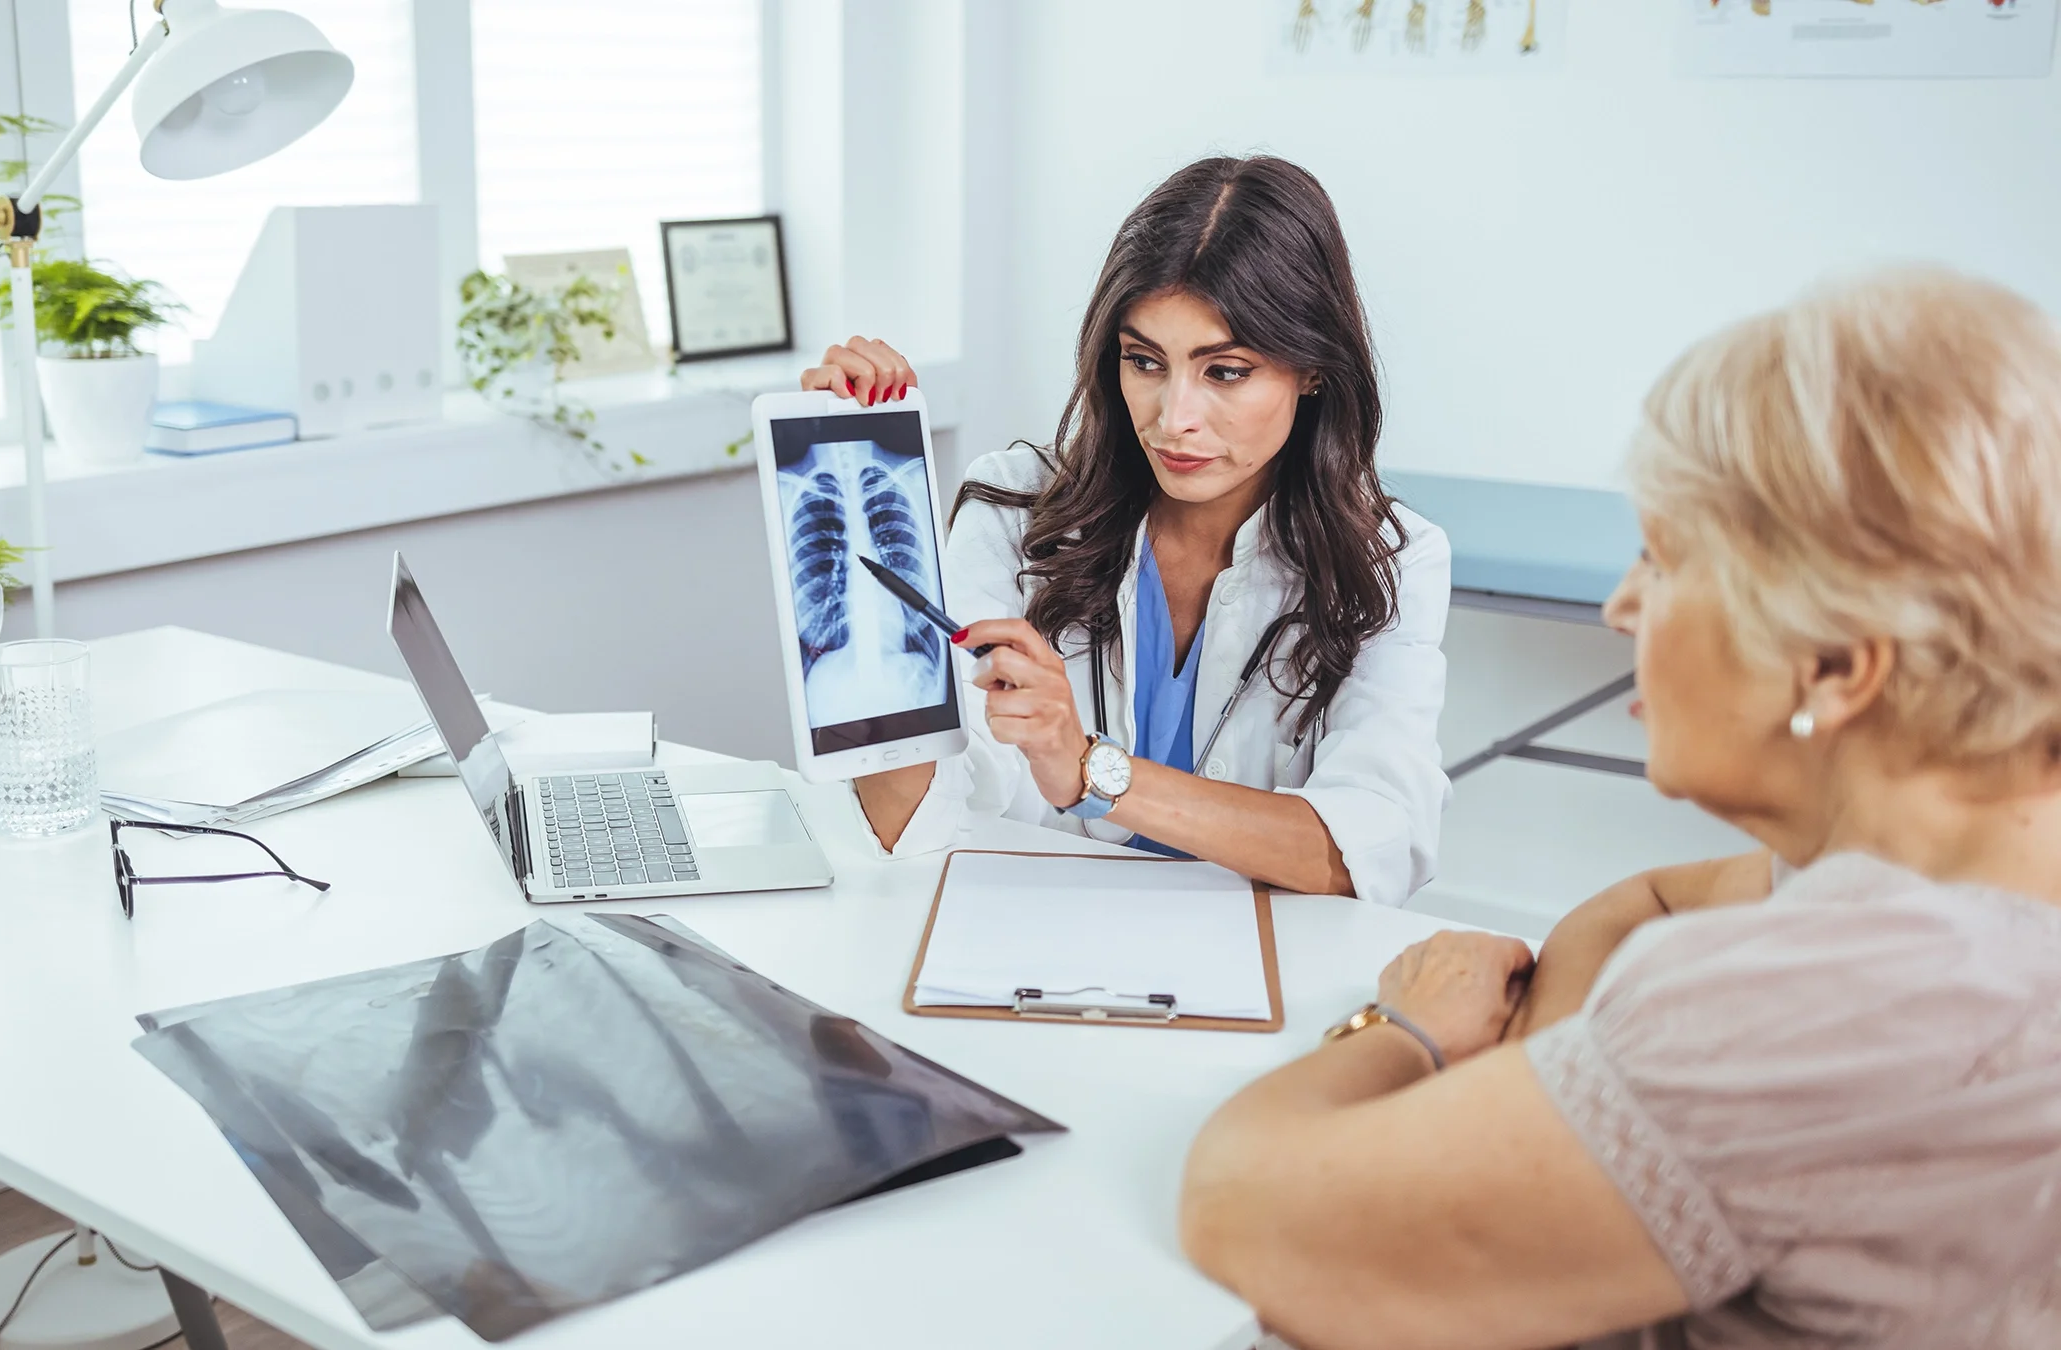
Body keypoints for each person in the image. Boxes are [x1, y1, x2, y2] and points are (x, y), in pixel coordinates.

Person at [1175, 266, 2061, 1349]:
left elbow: (1241, 1204)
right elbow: (1647, 896)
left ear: (1834, 663)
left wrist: (1414, 1030)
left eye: (1665, 557)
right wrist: (1554, 1080)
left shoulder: (1839, 1008)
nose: (1620, 604)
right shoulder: (1972, 868)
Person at [801, 156, 1451, 903]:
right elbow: (910, 824)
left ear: (1313, 370)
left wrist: (1088, 769)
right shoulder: (1016, 511)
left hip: (1266, 971)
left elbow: (1367, 848)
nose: (1174, 420)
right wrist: (881, 528)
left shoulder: (1391, 560)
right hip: (1026, 948)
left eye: (1226, 371)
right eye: (1145, 361)